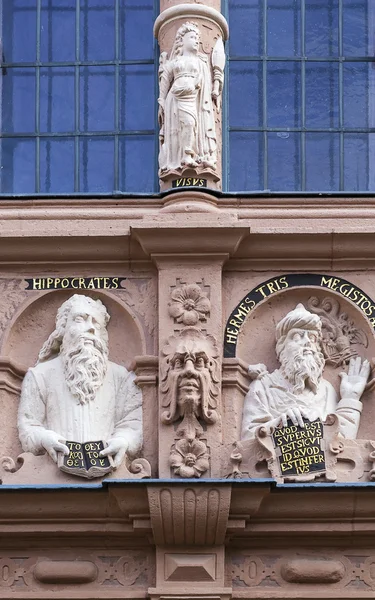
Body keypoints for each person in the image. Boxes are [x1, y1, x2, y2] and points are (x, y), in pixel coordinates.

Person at [18, 294, 142, 468]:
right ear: (63, 328)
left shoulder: (121, 377)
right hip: (50, 474)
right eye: (80, 319)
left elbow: (132, 422)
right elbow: (29, 425)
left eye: (95, 322)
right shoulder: (40, 375)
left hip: (108, 471)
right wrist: (43, 438)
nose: (90, 328)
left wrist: (123, 440)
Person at [241, 303, 370, 440]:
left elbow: (342, 441)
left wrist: (350, 399)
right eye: (297, 336)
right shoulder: (263, 387)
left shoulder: (326, 390)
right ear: (282, 347)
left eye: (313, 338)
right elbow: (248, 439)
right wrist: (279, 424)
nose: (307, 342)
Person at [158, 22, 222, 175]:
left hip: (193, 97)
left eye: (197, 37)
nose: (196, 41)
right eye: (192, 37)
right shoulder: (175, 62)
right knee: (181, 127)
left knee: (193, 124)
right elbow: (165, 80)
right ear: (182, 40)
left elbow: (204, 83)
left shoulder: (201, 62)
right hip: (175, 98)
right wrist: (161, 102)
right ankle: (181, 157)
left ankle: (196, 154)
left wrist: (213, 87)